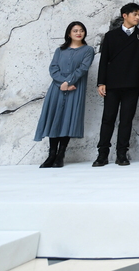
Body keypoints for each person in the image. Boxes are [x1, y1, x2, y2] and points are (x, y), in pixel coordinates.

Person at [93, 3, 139, 167]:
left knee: (126, 120)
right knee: (108, 119)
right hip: (112, 84)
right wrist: (101, 82)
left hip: (132, 83)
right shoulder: (111, 36)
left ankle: (122, 153)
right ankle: (102, 154)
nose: (138, 17)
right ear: (124, 15)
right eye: (135, 14)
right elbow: (104, 60)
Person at [34, 21, 95, 168]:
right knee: (54, 118)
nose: (79, 33)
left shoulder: (88, 50)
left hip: (75, 88)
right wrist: (62, 83)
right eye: (75, 30)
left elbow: (83, 68)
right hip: (57, 88)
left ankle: (60, 155)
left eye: (81, 30)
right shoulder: (59, 50)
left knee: (68, 119)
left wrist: (68, 82)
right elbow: (53, 68)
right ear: (69, 33)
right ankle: (51, 155)